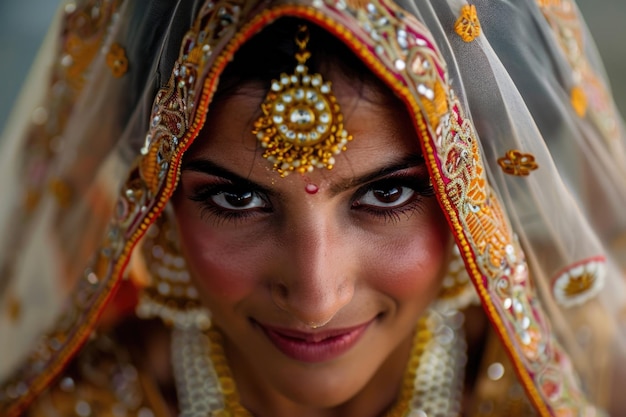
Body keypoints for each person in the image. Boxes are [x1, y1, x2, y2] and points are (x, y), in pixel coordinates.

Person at [0, 0, 625, 415]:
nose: (316, 296)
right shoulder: (73, 402)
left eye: (388, 193)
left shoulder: (596, 377)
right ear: (155, 197)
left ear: (476, 191)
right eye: (236, 197)